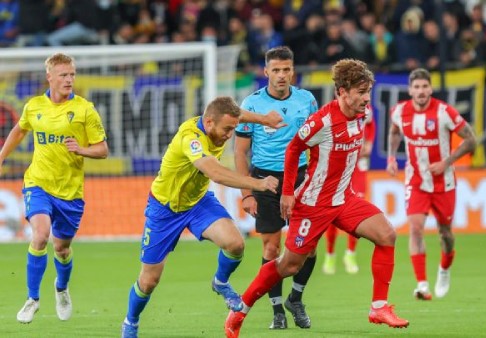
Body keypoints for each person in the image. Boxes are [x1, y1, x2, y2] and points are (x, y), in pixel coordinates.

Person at [225, 59, 410, 338]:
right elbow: (293, 150)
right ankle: (240, 309)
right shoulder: (322, 121)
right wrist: (288, 192)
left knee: (386, 234)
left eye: (368, 91)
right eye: (360, 92)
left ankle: (379, 307)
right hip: (313, 203)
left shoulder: (362, 113)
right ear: (342, 92)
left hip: (344, 199)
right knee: (289, 265)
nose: (366, 98)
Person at [120, 96, 281, 338]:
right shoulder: (191, 139)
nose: (230, 135)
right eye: (227, 129)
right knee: (149, 281)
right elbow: (214, 173)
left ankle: (220, 283)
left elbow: (238, 114)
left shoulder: (221, 120)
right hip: (164, 210)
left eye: (233, 129)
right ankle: (130, 322)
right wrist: (256, 184)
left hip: (197, 203)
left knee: (236, 244)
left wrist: (264, 119)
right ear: (208, 122)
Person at [0, 53, 109, 323]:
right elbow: (19, 130)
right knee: (39, 235)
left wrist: (81, 149)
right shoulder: (34, 106)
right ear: (49, 76)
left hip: (70, 193)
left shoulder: (85, 109)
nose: (69, 79)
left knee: (61, 248)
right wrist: (1, 157)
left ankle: (61, 288)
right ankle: (32, 299)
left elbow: (103, 150)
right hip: (38, 183)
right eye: (63, 75)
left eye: (72, 74)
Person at [234, 46, 319, 330]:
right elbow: (239, 152)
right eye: (276, 70)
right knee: (272, 247)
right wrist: (246, 193)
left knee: (308, 246)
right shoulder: (252, 104)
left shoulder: (307, 100)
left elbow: (317, 143)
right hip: (266, 180)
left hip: (301, 179)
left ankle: (296, 297)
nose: (282, 75)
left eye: (286, 70)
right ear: (266, 71)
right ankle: (276, 312)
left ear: (293, 71)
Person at [386, 68, 476, 300]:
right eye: (416, 87)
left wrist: (447, 162)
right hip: (416, 180)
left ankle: (444, 269)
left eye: (425, 86)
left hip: (443, 183)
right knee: (415, 228)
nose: (421, 91)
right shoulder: (399, 111)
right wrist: (391, 157)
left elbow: (471, 139)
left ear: (431, 88)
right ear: (410, 90)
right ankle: (422, 284)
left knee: (445, 233)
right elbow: (395, 132)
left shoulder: (444, 112)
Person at [322, 104, 376, 275]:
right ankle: (330, 255)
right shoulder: (335, 109)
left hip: (359, 165)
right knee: (333, 211)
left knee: (357, 209)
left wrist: (369, 143)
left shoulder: (365, 107)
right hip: (340, 166)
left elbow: (371, 125)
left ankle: (350, 254)